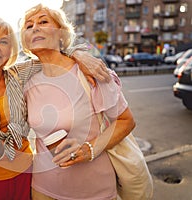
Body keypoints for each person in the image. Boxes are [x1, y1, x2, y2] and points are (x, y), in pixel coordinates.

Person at [0, 15, 110, 200]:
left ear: (11, 49)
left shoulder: (20, 75)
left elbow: (53, 55)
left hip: (27, 175)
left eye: (3, 42)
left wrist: (80, 55)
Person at [19, 4, 135, 200]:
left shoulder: (91, 73)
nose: (35, 27)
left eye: (43, 21)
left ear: (61, 34)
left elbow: (126, 121)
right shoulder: (26, 82)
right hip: (43, 187)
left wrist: (90, 149)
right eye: (29, 26)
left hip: (93, 190)